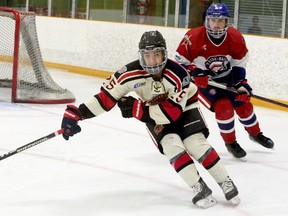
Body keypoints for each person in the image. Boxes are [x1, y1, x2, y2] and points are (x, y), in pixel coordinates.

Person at [60, 30, 240, 208]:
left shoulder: (179, 74)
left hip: (185, 109)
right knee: (171, 146)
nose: (153, 61)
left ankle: (225, 181)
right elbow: (106, 97)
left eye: (157, 55)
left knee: (195, 143)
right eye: (148, 56)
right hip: (153, 112)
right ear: (141, 56)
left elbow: (172, 113)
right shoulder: (128, 73)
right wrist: (79, 113)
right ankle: (198, 186)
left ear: (164, 54)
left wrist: (137, 109)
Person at [175, 3, 274, 160]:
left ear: (227, 22)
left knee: (244, 104)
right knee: (224, 107)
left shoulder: (235, 37)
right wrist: (195, 72)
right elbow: (180, 64)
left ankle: (256, 134)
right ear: (207, 20)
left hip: (227, 77)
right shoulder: (193, 37)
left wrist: (241, 83)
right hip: (205, 84)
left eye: (220, 21)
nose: (216, 24)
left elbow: (238, 64)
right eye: (213, 20)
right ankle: (231, 143)